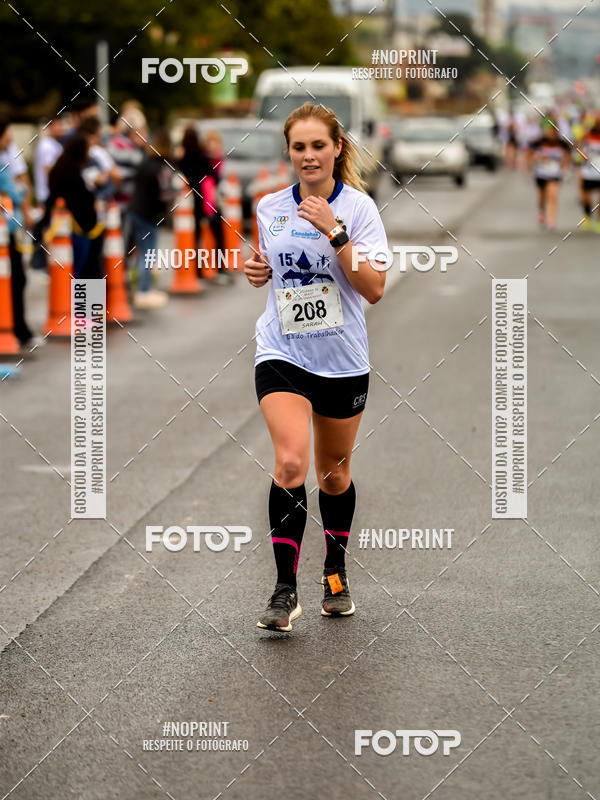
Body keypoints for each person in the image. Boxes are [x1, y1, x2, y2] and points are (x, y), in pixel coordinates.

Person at [244, 102, 387, 632]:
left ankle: (334, 571)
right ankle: (285, 591)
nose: (308, 156)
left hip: (342, 359)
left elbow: (372, 289)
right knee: (289, 465)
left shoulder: (361, 209)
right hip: (282, 351)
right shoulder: (268, 207)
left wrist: (336, 232)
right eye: (299, 147)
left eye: (318, 146)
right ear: (289, 151)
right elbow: (274, 268)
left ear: (337, 150)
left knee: (334, 474)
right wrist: (259, 270)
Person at [127, 128, 174, 309]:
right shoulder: (163, 167)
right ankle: (144, 291)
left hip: (135, 209)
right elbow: (164, 194)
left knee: (140, 253)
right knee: (148, 254)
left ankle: (139, 288)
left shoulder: (144, 162)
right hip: (149, 214)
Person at [46, 134, 104, 279]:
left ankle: (77, 300)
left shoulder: (59, 170)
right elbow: (82, 200)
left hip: (65, 229)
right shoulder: (73, 175)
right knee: (81, 270)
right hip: (79, 229)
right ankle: (85, 301)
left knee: (69, 272)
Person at [178, 126, 231, 285]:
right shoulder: (203, 157)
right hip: (209, 201)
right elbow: (214, 176)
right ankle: (220, 268)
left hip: (191, 203)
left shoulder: (182, 159)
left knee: (196, 238)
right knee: (218, 234)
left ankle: (197, 271)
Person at [527, 121, 571, 232]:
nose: (550, 134)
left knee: (553, 196)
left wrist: (565, 168)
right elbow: (529, 155)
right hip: (541, 173)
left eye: (552, 131)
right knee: (542, 196)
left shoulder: (562, 144)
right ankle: (541, 211)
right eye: (548, 131)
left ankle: (552, 221)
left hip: (554, 174)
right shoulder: (538, 143)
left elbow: (567, 157)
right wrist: (536, 159)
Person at [579, 113, 600, 232]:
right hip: (588, 170)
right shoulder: (588, 134)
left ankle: (598, 221)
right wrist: (582, 153)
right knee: (586, 197)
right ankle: (587, 214)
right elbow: (580, 146)